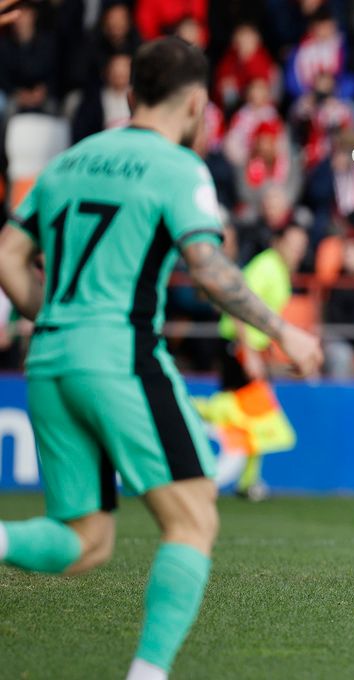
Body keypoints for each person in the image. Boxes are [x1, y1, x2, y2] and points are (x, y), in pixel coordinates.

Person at [0, 37, 322, 680]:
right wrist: (284, 330)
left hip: (50, 357)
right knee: (194, 518)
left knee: (85, 542)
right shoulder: (177, 167)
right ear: (199, 103)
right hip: (118, 357)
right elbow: (208, 268)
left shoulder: (70, 160)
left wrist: (59, 312)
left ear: (129, 94)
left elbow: (7, 253)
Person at [206, 225, 310, 501]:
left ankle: (249, 481)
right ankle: (190, 407)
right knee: (247, 409)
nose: (298, 252)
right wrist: (248, 349)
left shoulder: (279, 270)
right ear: (278, 243)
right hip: (238, 345)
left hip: (250, 347)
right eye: (293, 244)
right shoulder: (266, 267)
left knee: (254, 414)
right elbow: (237, 302)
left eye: (302, 246)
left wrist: (267, 352)